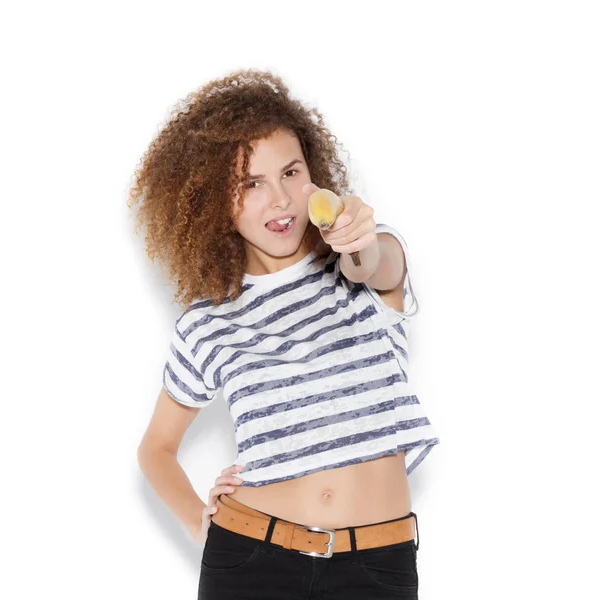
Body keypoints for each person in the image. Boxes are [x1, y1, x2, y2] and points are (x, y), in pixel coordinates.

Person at [132, 68, 440, 599]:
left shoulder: (361, 263)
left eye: (291, 172)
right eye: (250, 184)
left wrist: (359, 239)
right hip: (251, 560)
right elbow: (155, 449)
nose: (279, 199)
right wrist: (198, 522)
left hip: (377, 566)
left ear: (313, 173)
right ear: (213, 202)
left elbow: (376, 265)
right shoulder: (206, 323)